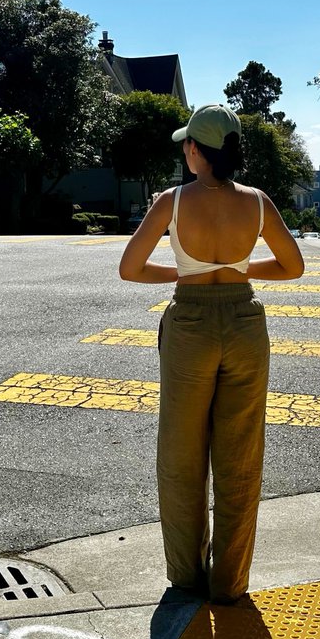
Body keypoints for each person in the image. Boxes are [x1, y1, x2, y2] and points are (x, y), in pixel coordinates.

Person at [118, 103, 304, 603]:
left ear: (195, 150)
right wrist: (240, 270)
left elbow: (131, 269)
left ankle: (186, 574)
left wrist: (185, 273)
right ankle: (230, 581)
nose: (185, 149)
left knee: (182, 453)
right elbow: (293, 267)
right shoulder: (258, 202)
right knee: (240, 454)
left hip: (191, 326)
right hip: (244, 325)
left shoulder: (171, 202)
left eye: (187, 143)